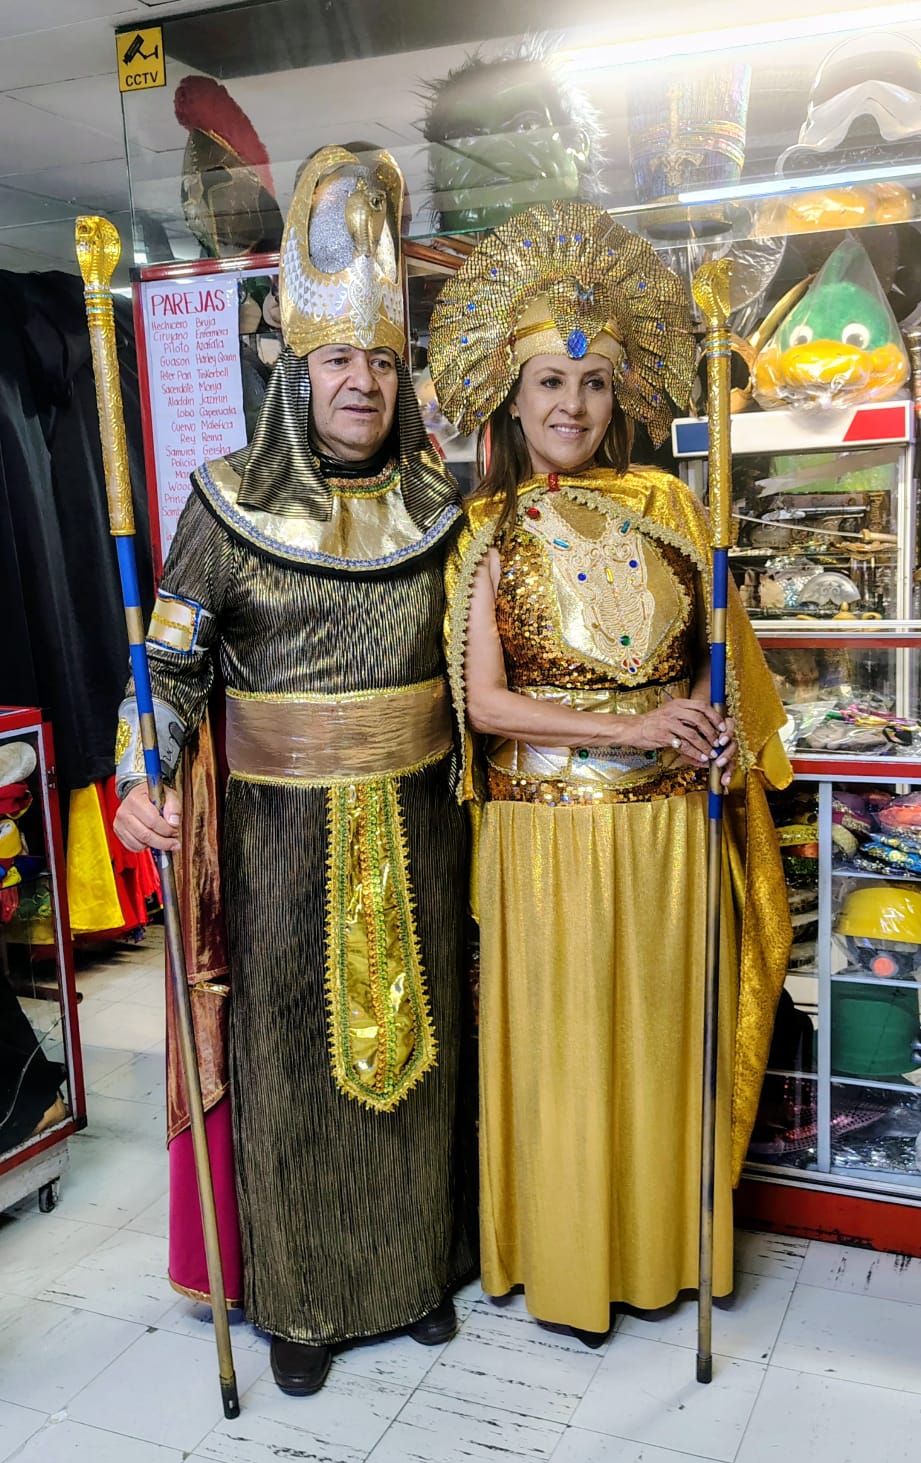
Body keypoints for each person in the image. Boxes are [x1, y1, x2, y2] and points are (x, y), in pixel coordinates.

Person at [113, 146, 475, 1395]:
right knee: (295, 1062)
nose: (361, 380)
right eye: (337, 359)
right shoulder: (224, 508)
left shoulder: (444, 509)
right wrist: (142, 768)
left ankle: (419, 1271)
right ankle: (305, 1300)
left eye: (381, 359)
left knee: (426, 1048)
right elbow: (166, 668)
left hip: (424, 827)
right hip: (277, 846)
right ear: (297, 368)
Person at [430, 200, 792, 1344]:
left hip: (670, 831)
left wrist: (712, 721)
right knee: (569, 1053)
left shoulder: (673, 503)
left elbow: (721, 653)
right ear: (513, 394)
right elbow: (482, 704)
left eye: (591, 384)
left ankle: (665, 1250)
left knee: (661, 1046)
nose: (572, 406)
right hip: (547, 840)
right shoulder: (484, 529)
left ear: (618, 394)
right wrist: (635, 729)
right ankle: (573, 1264)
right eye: (550, 382)